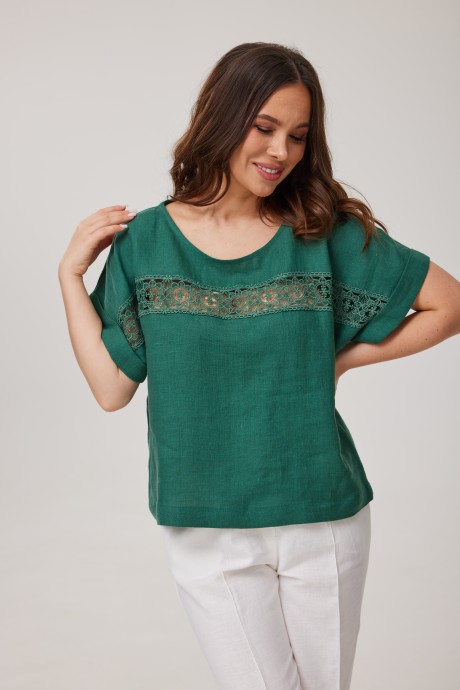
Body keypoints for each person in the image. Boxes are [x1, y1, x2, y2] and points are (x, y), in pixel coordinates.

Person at [58, 42, 460, 690]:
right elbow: (110, 388)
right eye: (265, 127)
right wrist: (70, 277)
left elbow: (449, 304)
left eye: (298, 136)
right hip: (205, 522)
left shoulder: (321, 232)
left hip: (322, 514)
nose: (281, 152)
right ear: (222, 116)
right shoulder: (146, 242)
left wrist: (342, 360)